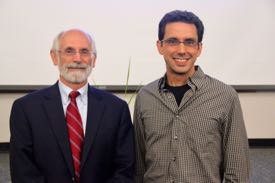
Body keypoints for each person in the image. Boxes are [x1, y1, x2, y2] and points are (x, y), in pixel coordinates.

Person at [133, 10, 250, 183]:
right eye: (172, 41)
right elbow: (139, 168)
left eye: (189, 42)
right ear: (160, 46)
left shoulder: (225, 96)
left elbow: (238, 172)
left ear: (199, 48)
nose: (181, 50)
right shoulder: (145, 97)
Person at [10, 28, 135, 183]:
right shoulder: (26, 109)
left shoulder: (116, 109)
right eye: (69, 51)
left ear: (93, 59)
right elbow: (23, 173)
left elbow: (125, 168)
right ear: (54, 57)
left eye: (84, 52)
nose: (77, 58)